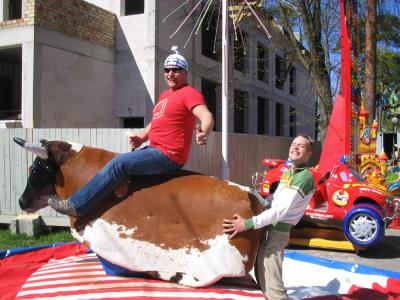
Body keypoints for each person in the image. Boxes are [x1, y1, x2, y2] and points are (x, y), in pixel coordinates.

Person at [48, 46, 214, 217]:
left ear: (185, 72)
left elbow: (206, 115)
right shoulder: (165, 95)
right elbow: (158, 120)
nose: (170, 74)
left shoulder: (190, 93)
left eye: (176, 70)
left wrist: (204, 131)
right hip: (154, 149)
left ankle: (77, 206)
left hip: (169, 155)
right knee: (119, 165)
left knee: (119, 163)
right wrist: (142, 138)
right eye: (167, 70)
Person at [222, 134, 315, 300]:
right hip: (269, 229)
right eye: (294, 144)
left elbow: (280, 211)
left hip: (276, 232)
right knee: (263, 277)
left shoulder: (303, 177)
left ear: (309, 154)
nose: (295, 147)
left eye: (301, 146)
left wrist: (248, 224)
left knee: (272, 284)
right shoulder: (290, 172)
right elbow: (273, 201)